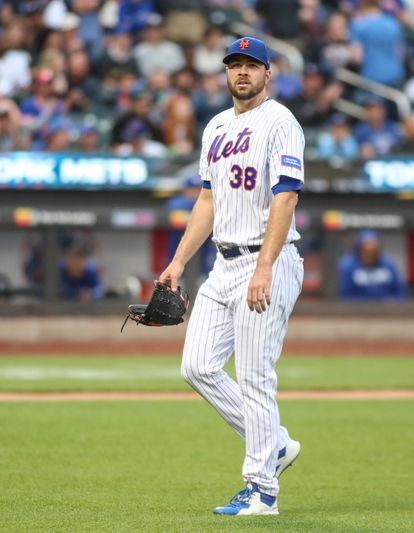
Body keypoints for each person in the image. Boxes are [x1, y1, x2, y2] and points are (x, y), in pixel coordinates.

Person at [158, 36, 304, 516]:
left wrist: (264, 268)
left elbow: (285, 198)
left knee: (256, 377)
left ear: (268, 74)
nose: (242, 72)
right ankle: (275, 444)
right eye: (234, 64)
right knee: (196, 366)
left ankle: (262, 490)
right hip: (222, 263)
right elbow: (207, 201)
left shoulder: (281, 122)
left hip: (268, 260)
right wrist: (178, 263)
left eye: (251, 65)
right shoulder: (216, 126)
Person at [338, 229, 406, 301]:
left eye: (373, 251)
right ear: (359, 249)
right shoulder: (347, 266)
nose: (369, 254)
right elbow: (344, 295)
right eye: (366, 250)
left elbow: (400, 292)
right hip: (356, 310)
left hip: (387, 309)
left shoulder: (388, 265)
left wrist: (392, 302)